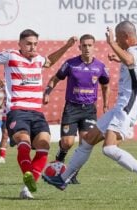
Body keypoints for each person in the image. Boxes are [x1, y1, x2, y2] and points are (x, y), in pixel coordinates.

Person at [42, 21, 137, 197]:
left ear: (126, 37)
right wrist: (117, 57)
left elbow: (130, 61)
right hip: (121, 105)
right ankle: (63, 179)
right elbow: (130, 62)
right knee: (87, 140)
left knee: (109, 148)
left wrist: (111, 44)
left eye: (119, 39)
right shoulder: (136, 51)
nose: (117, 42)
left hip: (129, 106)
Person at [0, 29, 77, 199]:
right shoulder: (10, 56)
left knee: (44, 145)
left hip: (36, 112)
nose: (33, 47)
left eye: (35, 44)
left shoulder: (39, 60)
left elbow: (50, 62)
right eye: (29, 44)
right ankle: (29, 175)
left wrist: (67, 46)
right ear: (20, 44)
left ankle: (27, 188)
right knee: (23, 142)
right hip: (17, 110)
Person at [43, 34, 110, 184]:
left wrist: (105, 104)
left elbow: (105, 86)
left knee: (86, 142)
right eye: (84, 45)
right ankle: (60, 158)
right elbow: (55, 78)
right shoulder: (71, 64)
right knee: (67, 142)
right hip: (72, 108)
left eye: (89, 45)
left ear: (94, 47)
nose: (87, 48)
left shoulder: (100, 67)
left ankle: (72, 173)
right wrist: (47, 92)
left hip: (89, 110)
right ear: (79, 47)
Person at [0, 96, 9, 164]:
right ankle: (2, 158)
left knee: (19, 136)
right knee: (4, 135)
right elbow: (4, 102)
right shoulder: (7, 92)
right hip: (6, 117)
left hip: (15, 116)